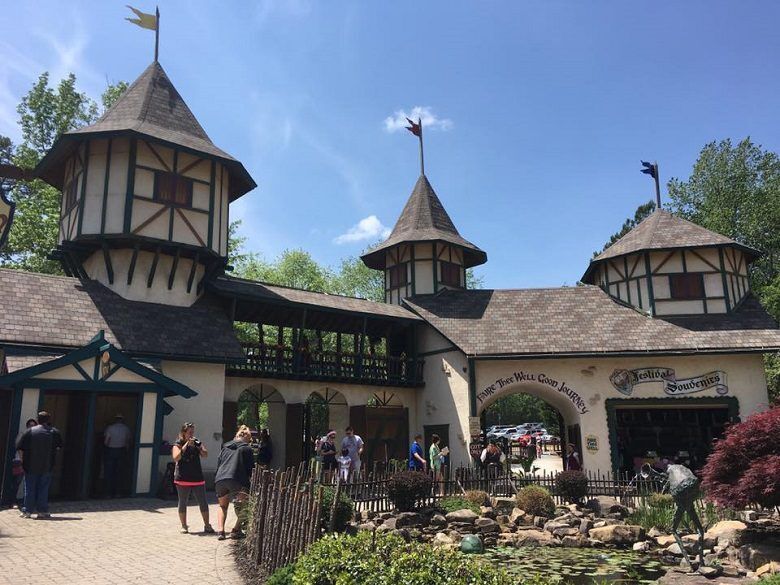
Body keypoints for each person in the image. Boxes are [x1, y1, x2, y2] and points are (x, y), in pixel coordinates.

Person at [15, 411, 62, 519]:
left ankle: (27, 511)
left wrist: (22, 461)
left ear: (37, 420)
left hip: (30, 465)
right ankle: (42, 511)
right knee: (43, 488)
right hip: (47, 465)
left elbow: (20, 448)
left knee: (30, 488)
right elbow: (58, 448)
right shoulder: (54, 432)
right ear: (49, 420)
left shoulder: (29, 432)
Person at [214, 425, 255, 541]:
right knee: (245, 505)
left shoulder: (225, 446)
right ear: (247, 437)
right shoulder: (246, 448)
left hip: (220, 479)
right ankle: (236, 530)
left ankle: (221, 532)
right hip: (237, 480)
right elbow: (250, 469)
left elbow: (219, 463)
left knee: (222, 506)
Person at [171, 422, 214, 534]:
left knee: (203, 502)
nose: (192, 434)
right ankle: (184, 526)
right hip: (183, 478)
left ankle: (207, 525)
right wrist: (186, 446)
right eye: (190, 432)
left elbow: (205, 455)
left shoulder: (196, 442)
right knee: (183, 502)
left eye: (193, 432)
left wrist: (199, 447)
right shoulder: (178, 443)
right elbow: (176, 457)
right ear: (184, 433)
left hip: (197, 477)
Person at [103, 414, 132, 498]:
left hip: (111, 450)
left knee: (109, 472)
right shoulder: (126, 429)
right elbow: (128, 441)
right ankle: (118, 493)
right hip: (121, 450)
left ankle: (107, 493)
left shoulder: (110, 428)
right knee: (119, 472)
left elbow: (106, 441)